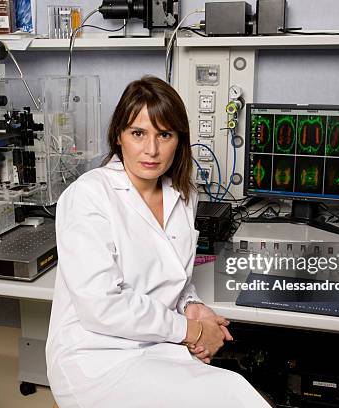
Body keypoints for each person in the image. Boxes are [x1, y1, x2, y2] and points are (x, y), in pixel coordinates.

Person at [46, 76, 271, 408]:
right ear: (119, 136)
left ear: (179, 140)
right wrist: (192, 331)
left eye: (164, 135)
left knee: (237, 391)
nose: (151, 150)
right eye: (138, 133)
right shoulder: (88, 195)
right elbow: (102, 307)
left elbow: (169, 275)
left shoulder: (182, 193)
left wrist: (191, 305)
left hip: (154, 345)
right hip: (95, 358)